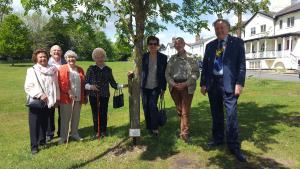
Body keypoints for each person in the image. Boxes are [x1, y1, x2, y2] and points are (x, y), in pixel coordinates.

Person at [200, 19, 247, 162]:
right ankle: (218, 139)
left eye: (222, 28)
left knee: (231, 115)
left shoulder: (237, 43)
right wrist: (203, 83)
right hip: (213, 84)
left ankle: (233, 146)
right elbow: (206, 66)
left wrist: (239, 83)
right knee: (216, 114)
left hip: (230, 85)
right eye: (217, 28)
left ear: (228, 28)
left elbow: (241, 65)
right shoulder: (210, 45)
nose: (219, 30)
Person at [24, 49, 60, 154]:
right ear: (36, 58)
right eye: (40, 57)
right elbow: (28, 87)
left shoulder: (52, 70)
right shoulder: (32, 70)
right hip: (36, 101)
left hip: (48, 102)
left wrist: (57, 98)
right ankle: (34, 146)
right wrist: (40, 95)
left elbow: (56, 85)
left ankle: (42, 140)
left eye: (44, 56)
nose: (43, 58)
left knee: (45, 123)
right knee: (34, 124)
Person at [165, 37, 200, 143]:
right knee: (179, 110)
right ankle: (182, 128)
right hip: (174, 87)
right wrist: (173, 84)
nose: (178, 45)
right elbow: (167, 74)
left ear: (184, 44)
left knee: (185, 111)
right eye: (176, 43)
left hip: (187, 87)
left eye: (180, 43)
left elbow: (196, 73)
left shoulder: (191, 57)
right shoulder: (172, 59)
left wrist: (185, 84)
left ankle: (185, 133)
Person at [85, 48, 124, 138]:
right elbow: (85, 83)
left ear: (104, 57)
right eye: (97, 57)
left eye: (102, 57)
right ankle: (96, 130)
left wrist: (123, 85)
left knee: (103, 113)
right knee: (95, 113)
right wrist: (92, 87)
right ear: (94, 58)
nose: (100, 59)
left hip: (105, 95)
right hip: (93, 95)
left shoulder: (108, 69)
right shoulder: (91, 69)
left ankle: (103, 130)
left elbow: (113, 83)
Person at [57, 50, 87, 144]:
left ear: (76, 58)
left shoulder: (80, 69)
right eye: (69, 57)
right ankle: (63, 137)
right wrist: (69, 92)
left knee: (76, 116)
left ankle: (74, 133)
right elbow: (62, 82)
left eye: (73, 57)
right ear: (66, 59)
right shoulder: (62, 68)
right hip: (66, 97)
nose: (71, 59)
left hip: (78, 97)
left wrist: (85, 95)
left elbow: (83, 83)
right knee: (65, 117)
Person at [141, 36, 167, 136]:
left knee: (152, 106)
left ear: (158, 45)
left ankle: (155, 128)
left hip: (155, 87)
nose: (153, 46)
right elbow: (138, 69)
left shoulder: (163, 57)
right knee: (145, 107)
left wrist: (163, 89)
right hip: (144, 87)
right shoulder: (143, 57)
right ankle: (149, 126)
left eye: (155, 44)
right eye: (150, 44)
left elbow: (164, 74)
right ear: (147, 45)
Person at [47, 45, 67, 141]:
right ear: (50, 52)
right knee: (49, 113)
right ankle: (49, 133)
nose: (56, 52)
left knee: (62, 113)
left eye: (58, 50)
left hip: (62, 92)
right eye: (54, 50)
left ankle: (61, 132)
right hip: (50, 91)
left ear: (61, 52)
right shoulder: (46, 62)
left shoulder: (65, 62)